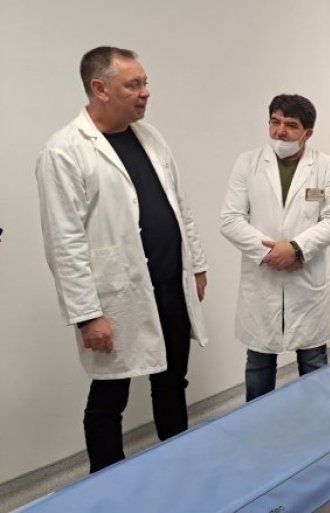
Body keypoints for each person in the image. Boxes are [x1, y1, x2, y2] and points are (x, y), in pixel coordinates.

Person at [35, 46, 209, 473]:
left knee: (172, 381)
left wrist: (197, 265)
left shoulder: (150, 137)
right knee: (109, 398)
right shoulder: (64, 150)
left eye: (145, 83)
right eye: (134, 85)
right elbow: (63, 241)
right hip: (116, 296)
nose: (145, 92)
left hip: (170, 284)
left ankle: (179, 465)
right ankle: (107, 484)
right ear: (100, 89)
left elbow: (179, 206)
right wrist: (87, 315)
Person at [220, 94, 330, 401]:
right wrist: (271, 253)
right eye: (274, 122)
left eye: (291, 125)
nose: (280, 131)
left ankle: (317, 420)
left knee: (313, 361)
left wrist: (297, 248)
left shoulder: (325, 167)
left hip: (307, 279)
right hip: (263, 279)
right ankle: (257, 421)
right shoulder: (248, 163)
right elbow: (230, 220)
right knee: (259, 364)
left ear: (308, 133)